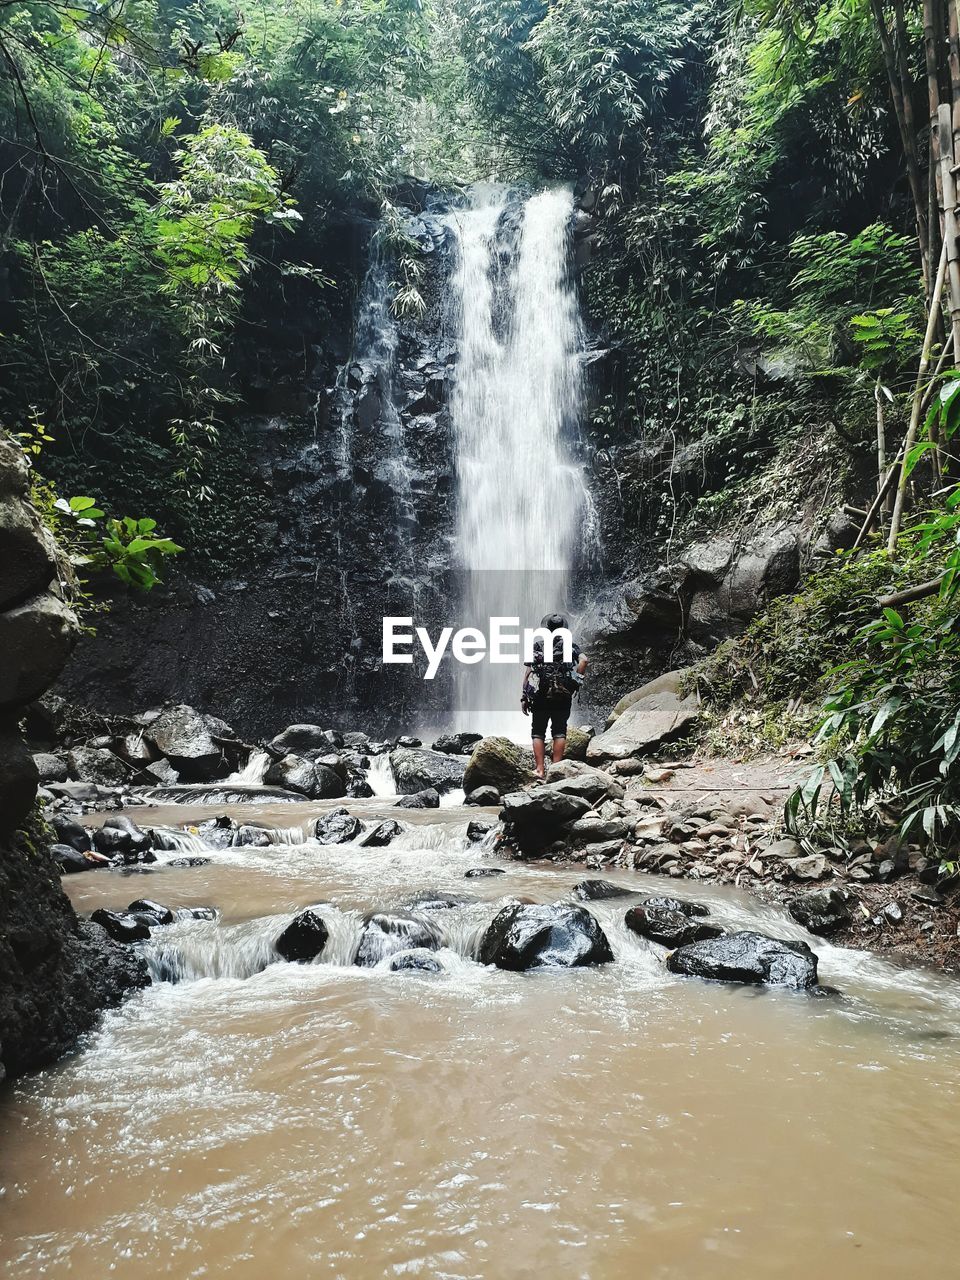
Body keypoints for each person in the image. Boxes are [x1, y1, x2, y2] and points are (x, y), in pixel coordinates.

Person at [521, 612, 589, 778]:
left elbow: (529, 671)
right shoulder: (570, 646)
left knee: (538, 731)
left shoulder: (537, 646)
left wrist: (524, 695)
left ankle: (539, 769)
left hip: (540, 692)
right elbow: (584, 660)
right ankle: (556, 769)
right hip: (562, 692)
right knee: (559, 730)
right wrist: (575, 681)